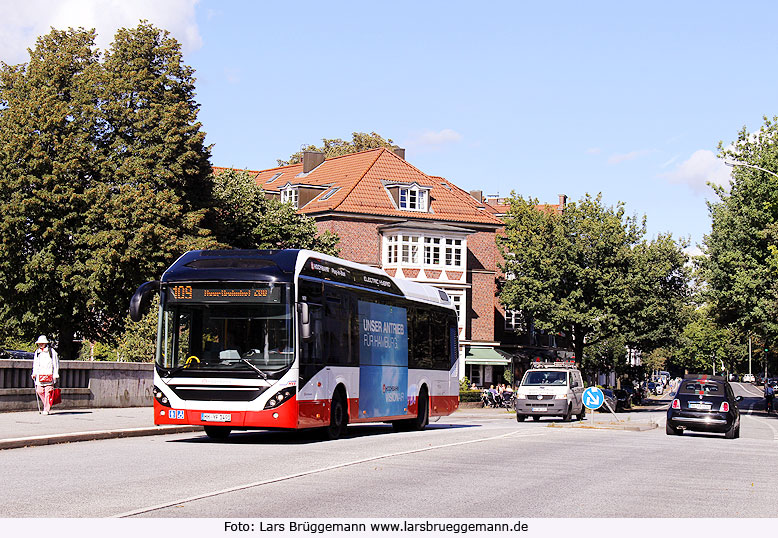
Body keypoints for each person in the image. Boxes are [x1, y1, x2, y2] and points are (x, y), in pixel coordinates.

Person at [31, 335, 59, 415]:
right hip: (40, 375)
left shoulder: (51, 351)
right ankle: (47, 404)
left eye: (42, 343)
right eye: (40, 343)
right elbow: (35, 364)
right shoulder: (37, 352)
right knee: (39, 391)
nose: (41, 345)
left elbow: (55, 363)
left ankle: (46, 408)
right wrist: (34, 373)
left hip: (49, 374)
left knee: (48, 393)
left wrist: (55, 374)